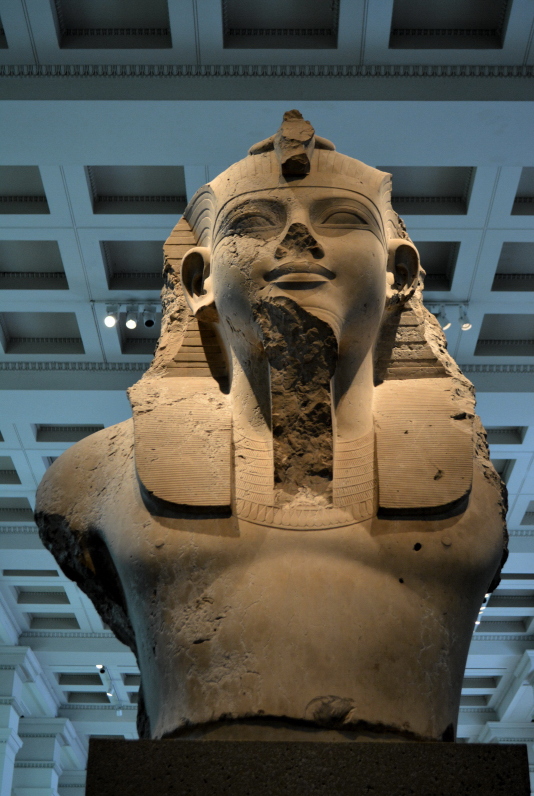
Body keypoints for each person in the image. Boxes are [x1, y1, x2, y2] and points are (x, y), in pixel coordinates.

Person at [36, 111, 507, 743]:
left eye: (342, 218)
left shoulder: (476, 488)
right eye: (254, 223)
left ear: (399, 272)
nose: (298, 237)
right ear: (199, 280)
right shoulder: (93, 477)